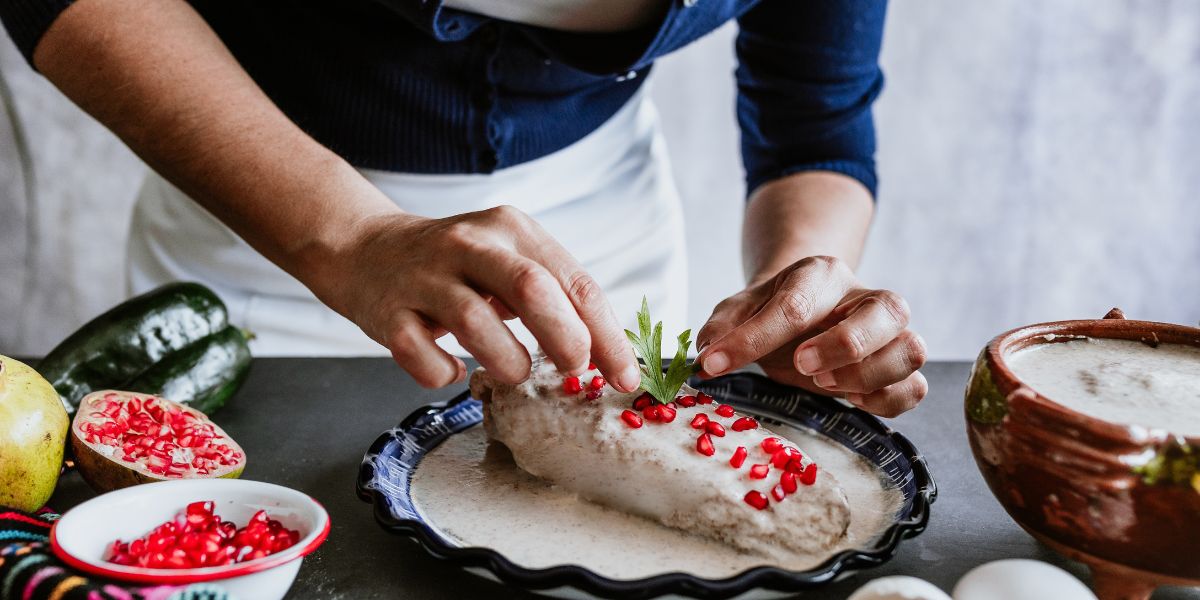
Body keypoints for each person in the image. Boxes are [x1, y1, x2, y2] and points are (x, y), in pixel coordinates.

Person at [1, 0, 927, 417]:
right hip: (266, 226)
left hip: (611, 249)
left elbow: (815, 119)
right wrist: (351, 234)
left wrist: (797, 299)